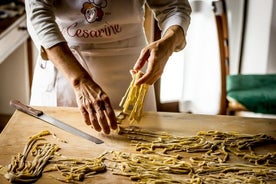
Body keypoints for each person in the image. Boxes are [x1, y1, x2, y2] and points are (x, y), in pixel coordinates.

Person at [25, 0, 191, 135]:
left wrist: (169, 42)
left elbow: (174, 6)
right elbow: (39, 16)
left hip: (130, 66)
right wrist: (79, 80)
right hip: (65, 65)